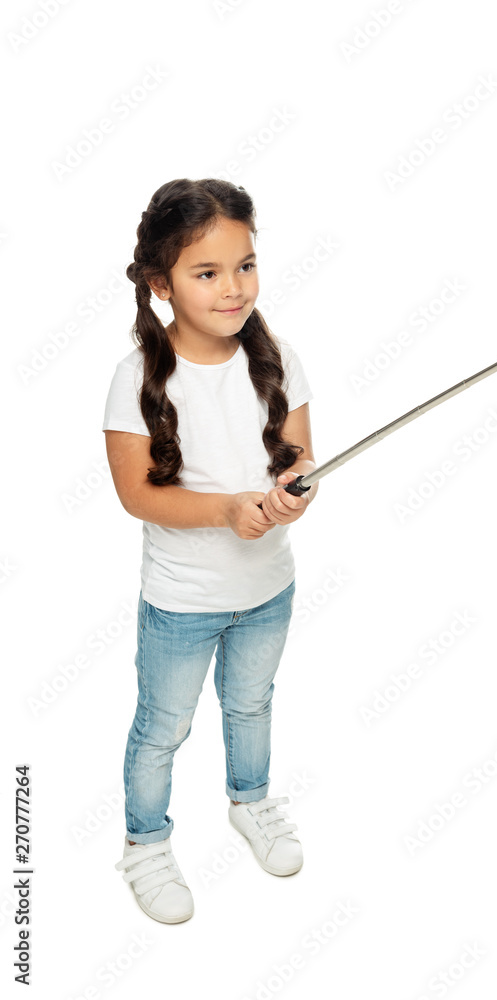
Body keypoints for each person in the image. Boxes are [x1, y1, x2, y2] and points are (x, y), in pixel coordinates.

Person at [102, 177, 318, 924]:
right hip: (182, 603)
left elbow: (301, 459)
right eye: (207, 272)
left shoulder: (278, 357)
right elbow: (137, 494)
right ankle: (145, 842)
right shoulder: (136, 377)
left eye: (245, 265)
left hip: (267, 590)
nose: (234, 288)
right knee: (163, 727)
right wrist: (227, 510)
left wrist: (293, 491)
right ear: (161, 283)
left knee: (251, 704)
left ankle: (249, 802)